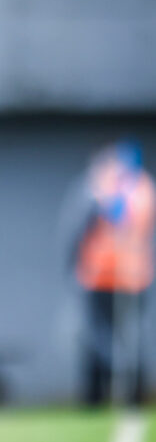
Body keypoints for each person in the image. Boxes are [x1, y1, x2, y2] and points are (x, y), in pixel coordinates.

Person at [72, 141, 156, 406]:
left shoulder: (124, 188)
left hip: (121, 276)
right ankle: (106, 393)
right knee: (104, 338)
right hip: (112, 276)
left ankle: (127, 390)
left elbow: (92, 224)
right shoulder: (137, 187)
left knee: (118, 339)